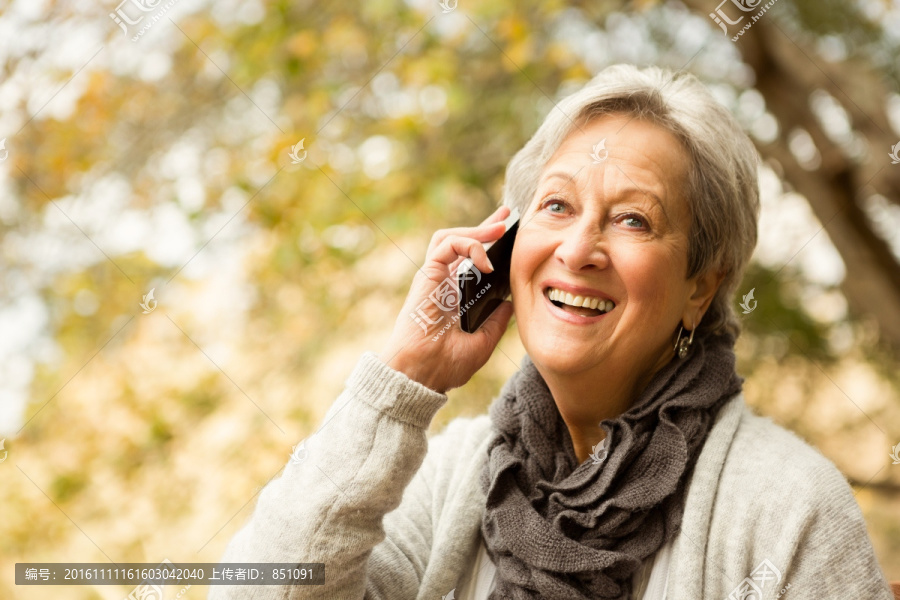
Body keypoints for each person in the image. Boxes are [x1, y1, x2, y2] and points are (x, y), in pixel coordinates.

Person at [208, 64, 894, 600]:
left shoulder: (788, 507)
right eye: (556, 205)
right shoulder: (458, 476)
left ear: (701, 286)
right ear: (508, 246)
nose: (578, 249)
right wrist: (404, 378)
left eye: (632, 220)